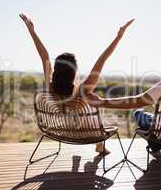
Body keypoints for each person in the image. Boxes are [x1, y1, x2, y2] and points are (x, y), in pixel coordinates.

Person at [20, 13, 134, 154]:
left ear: (56, 70)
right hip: (89, 135)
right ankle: (100, 145)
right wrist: (119, 36)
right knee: (92, 104)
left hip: (63, 132)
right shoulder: (82, 91)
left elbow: (44, 56)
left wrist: (32, 31)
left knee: (84, 111)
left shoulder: (51, 89)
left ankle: (99, 145)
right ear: (74, 71)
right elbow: (103, 59)